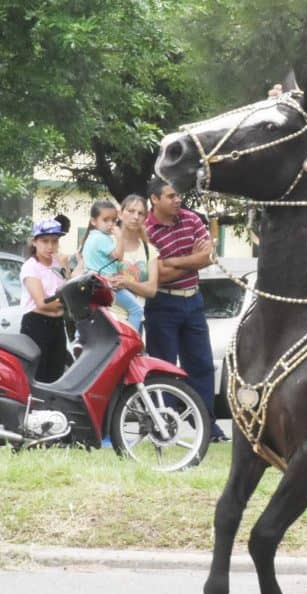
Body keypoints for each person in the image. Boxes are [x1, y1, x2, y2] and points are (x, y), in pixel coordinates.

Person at [144, 176, 228, 443]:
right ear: (155, 199)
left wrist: (173, 262)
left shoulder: (191, 219)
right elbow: (157, 276)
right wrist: (193, 260)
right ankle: (164, 426)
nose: (178, 199)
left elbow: (209, 256)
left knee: (201, 365)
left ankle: (206, 426)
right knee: (164, 367)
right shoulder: (147, 230)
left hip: (193, 301)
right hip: (162, 304)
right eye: (171, 196)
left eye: (178, 195)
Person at [80, 199, 145, 332]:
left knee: (93, 314)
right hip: (107, 284)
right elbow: (118, 256)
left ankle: (80, 337)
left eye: (114, 220)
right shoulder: (102, 238)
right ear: (94, 221)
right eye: (106, 220)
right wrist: (120, 238)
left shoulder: (91, 237)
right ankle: (131, 338)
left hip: (93, 283)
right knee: (136, 309)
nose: (110, 224)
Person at [20, 217, 70, 383]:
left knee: (56, 376)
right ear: (34, 242)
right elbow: (42, 303)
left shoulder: (58, 263)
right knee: (37, 377)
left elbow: (67, 288)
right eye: (45, 241)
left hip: (57, 325)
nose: (50, 246)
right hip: (36, 325)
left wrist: (66, 268)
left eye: (54, 241)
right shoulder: (30, 267)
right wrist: (68, 302)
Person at [108, 195, 160, 327]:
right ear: (120, 214)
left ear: (145, 218)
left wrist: (126, 282)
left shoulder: (149, 250)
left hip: (135, 321)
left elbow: (151, 290)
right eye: (131, 211)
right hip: (107, 319)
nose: (136, 217)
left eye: (140, 213)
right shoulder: (107, 242)